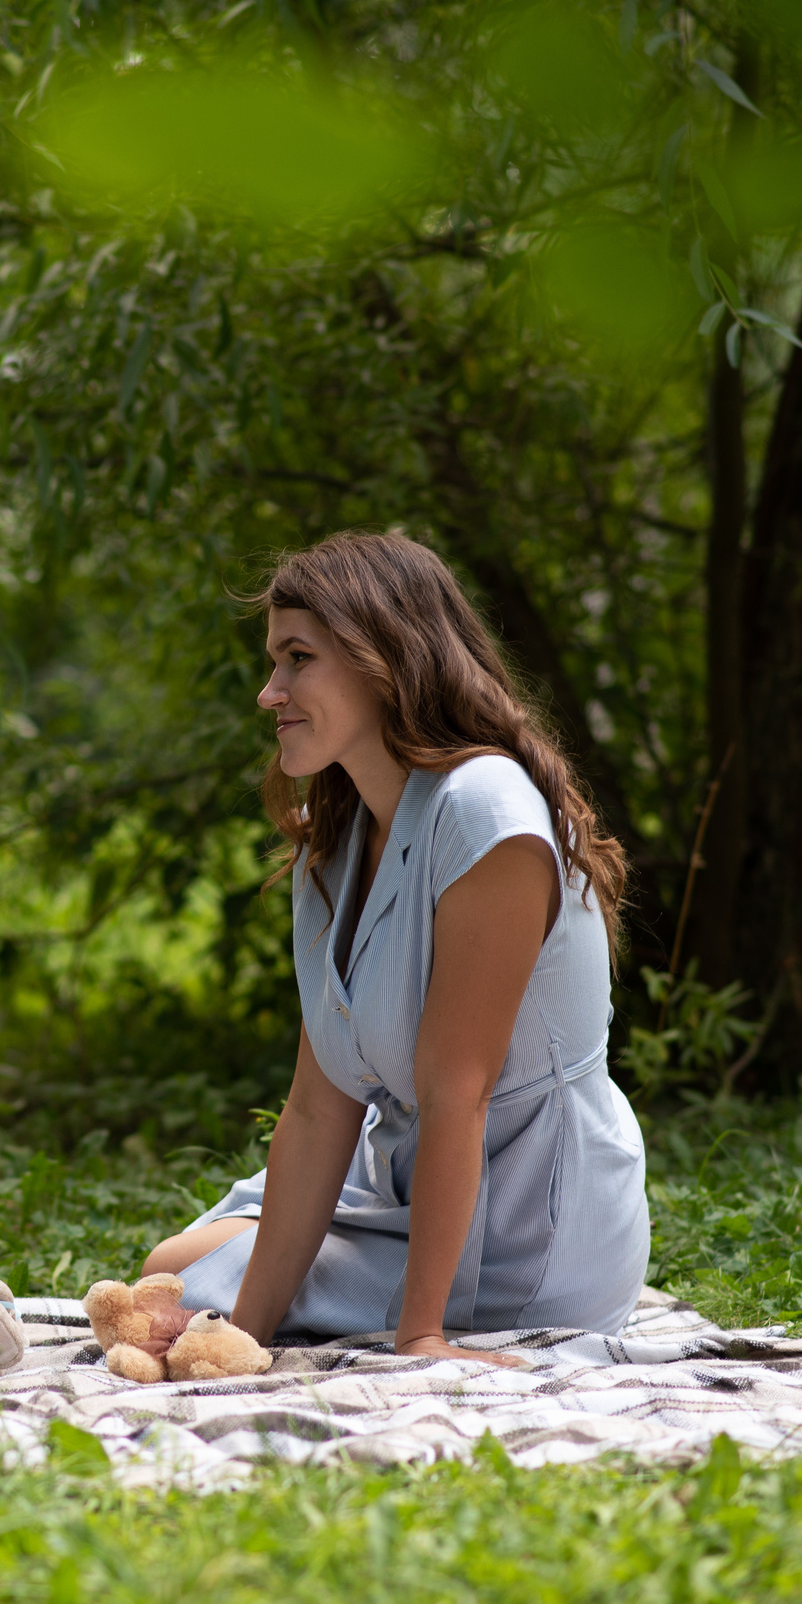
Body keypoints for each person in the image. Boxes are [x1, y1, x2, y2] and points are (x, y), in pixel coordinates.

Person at [142, 531, 647, 1365]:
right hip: (409, 1185)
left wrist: (423, 1337)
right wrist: (248, 1339)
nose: (271, 692)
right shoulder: (337, 848)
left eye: (297, 658)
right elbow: (315, 1111)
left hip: (528, 1230)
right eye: (274, 662)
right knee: (179, 1275)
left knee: (180, 1286)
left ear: (386, 659)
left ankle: (416, 1306)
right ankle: (284, 1297)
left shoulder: (482, 812)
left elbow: (458, 1094)